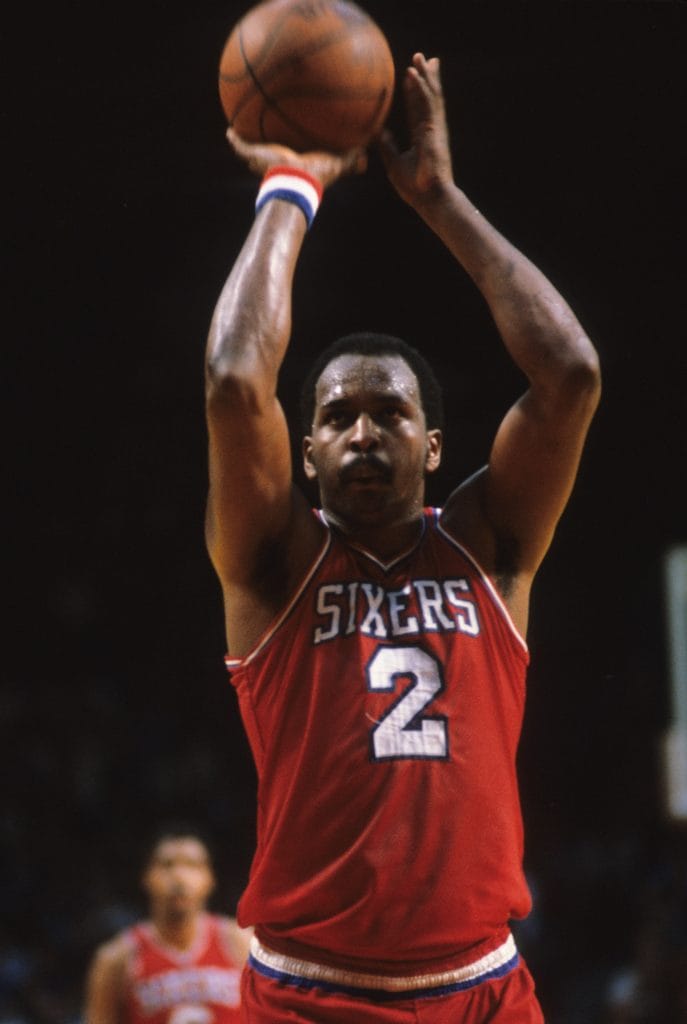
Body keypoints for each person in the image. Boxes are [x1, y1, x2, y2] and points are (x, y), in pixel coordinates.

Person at [204, 52, 601, 1023]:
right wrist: (292, 183)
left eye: (389, 413)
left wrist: (438, 200)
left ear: (432, 446)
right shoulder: (275, 562)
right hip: (306, 993)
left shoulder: (490, 543)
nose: (363, 432)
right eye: (337, 416)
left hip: (481, 988)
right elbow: (234, 379)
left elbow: (571, 373)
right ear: (306, 454)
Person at [84, 827, 252, 1024]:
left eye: (192, 865)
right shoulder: (117, 959)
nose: (179, 877)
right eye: (167, 865)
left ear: (210, 878)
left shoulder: (241, 943)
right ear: (147, 876)